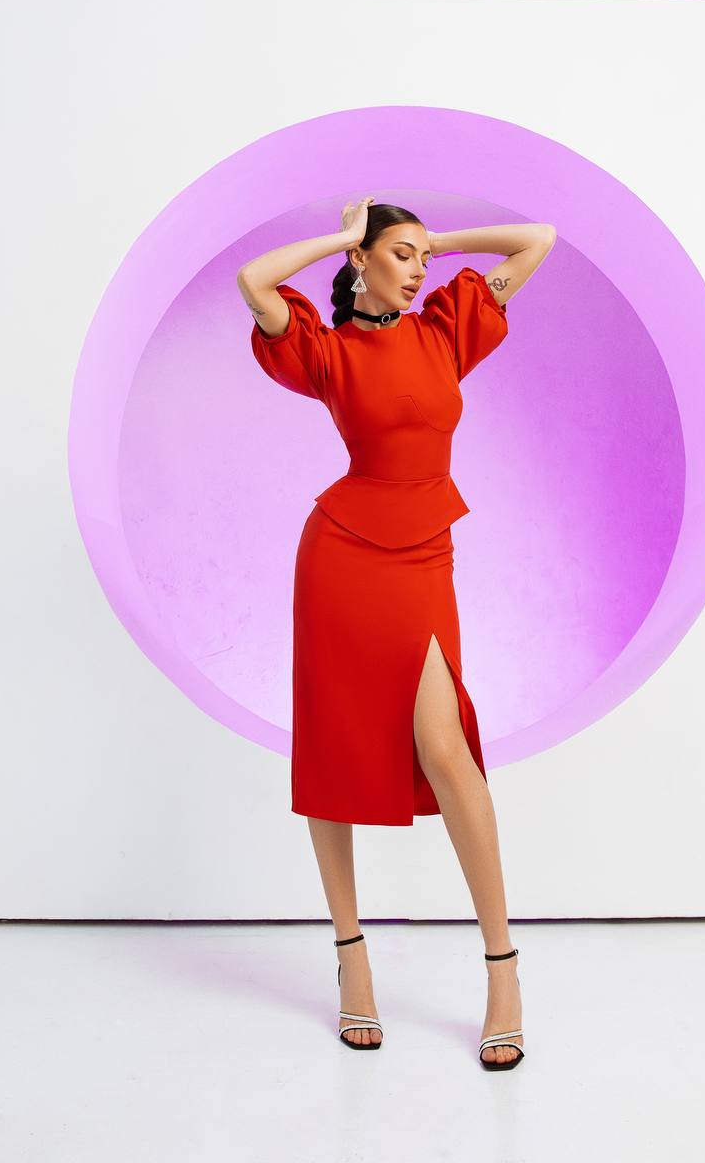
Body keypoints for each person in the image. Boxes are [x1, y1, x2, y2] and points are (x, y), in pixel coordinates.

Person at [237, 199, 556, 1068]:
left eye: (423, 256)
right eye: (401, 255)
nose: (418, 269)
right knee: (336, 748)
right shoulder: (325, 351)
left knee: (445, 747)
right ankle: (351, 962)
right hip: (340, 559)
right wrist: (346, 238)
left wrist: (437, 239)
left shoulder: (447, 330)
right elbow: (252, 281)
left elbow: (537, 240)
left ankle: (502, 968)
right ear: (360, 263)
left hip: (424, 553)